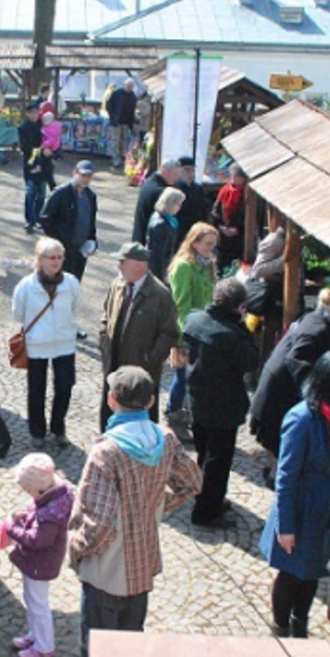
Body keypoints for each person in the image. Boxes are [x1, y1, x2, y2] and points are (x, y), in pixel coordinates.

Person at [69, 366, 202, 657]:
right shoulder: (165, 439)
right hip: (142, 568)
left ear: (111, 400)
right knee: (131, 650)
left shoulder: (106, 453)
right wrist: (156, 505)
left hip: (106, 574)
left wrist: (75, 548)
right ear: (151, 401)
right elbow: (192, 482)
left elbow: (99, 526)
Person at [259, 349, 330, 638]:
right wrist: (286, 527)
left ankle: (300, 624)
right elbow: (286, 477)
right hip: (303, 509)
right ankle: (281, 628)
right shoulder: (302, 419)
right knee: (292, 574)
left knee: (313, 572)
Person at [249, 286, 330, 486]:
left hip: (274, 383)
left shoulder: (314, 318)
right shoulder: (319, 330)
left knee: (277, 438)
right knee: (280, 439)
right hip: (278, 391)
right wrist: (314, 390)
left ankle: (274, 474)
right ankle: (277, 479)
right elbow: (295, 359)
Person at [182, 278, 260, 525]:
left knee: (204, 454)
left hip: (198, 400)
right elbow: (252, 361)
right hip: (223, 409)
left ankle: (205, 496)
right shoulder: (232, 336)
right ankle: (206, 511)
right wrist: (244, 326)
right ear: (239, 307)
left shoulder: (194, 320)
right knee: (217, 463)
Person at [97, 243, 178, 430]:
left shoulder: (160, 295)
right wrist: (104, 342)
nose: (118, 266)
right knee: (109, 414)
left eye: (122, 262)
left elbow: (169, 333)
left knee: (142, 421)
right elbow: (105, 315)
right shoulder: (117, 285)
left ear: (138, 266)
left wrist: (150, 360)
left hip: (142, 373)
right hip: (114, 365)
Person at [2, 453, 73, 657]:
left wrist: (12, 528)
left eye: (28, 491)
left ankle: (44, 646)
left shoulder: (50, 515)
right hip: (38, 562)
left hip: (40, 563)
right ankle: (35, 634)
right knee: (32, 600)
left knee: (38, 604)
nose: (28, 495)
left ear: (40, 490)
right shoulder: (56, 496)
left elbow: (36, 540)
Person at [11, 237, 82, 447]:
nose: (57, 262)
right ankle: (37, 432)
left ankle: (58, 428)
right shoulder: (26, 286)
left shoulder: (71, 283)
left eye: (60, 257)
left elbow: (76, 308)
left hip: (64, 344)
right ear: (40, 259)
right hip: (37, 345)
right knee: (36, 390)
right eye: (52, 257)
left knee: (65, 387)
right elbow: (17, 314)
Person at [165, 223, 219, 428]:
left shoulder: (207, 264)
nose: (211, 248)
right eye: (208, 243)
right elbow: (181, 305)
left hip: (205, 329)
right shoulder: (183, 267)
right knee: (182, 375)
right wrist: (183, 339)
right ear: (194, 242)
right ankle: (174, 413)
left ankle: (189, 412)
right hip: (189, 331)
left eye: (213, 244)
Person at [39, 161, 98, 280]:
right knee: (59, 282)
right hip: (62, 251)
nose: (86, 179)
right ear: (74, 173)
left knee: (75, 281)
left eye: (89, 176)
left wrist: (92, 240)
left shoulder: (91, 196)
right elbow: (45, 218)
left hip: (81, 250)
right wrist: (58, 241)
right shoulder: (61, 193)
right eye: (83, 175)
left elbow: (91, 221)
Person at [132, 157, 184, 244]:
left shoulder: (149, 182)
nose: (177, 178)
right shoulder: (160, 192)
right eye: (175, 174)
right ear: (164, 171)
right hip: (150, 241)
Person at [211, 164, 248, 271]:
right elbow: (215, 212)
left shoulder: (248, 194)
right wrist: (220, 227)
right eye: (232, 175)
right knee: (221, 266)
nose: (234, 178)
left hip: (240, 242)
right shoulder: (225, 191)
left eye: (237, 176)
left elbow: (254, 217)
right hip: (223, 240)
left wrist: (238, 230)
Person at [145, 187, 186, 281]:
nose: (180, 207)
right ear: (171, 203)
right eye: (179, 204)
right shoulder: (162, 225)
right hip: (159, 269)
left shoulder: (161, 216)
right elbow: (159, 255)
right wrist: (162, 277)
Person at [17, 103, 46, 232]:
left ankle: (37, 217)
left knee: (41, 193)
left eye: (37, 112)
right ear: (27, 114)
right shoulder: (23, 128)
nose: (35, 115)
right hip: (30, 162)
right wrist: (38, 151)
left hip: (44, 163)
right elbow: (24, 147)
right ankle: (29, 220)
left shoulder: (43, 126)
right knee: (30, 192)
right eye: (32, 113)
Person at [104, 78, 138, 169]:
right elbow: (108, 105)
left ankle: (122, 158)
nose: (129, 88)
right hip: (116, 122)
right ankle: (116, 160)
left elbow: (132, 111)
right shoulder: (117, 93)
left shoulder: (133, 96)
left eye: (131, 86)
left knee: (123, 141)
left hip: (125, 122)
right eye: (128, 86)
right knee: (115, 141)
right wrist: (113, 117)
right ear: (124, 85)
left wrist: (131, 125)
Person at [173, 157, 209, 241]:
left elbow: (202, 210)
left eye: (193, 170)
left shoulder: (198, 188)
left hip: (195, 229)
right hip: (180, 230)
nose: (191, 173)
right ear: (178, 171)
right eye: (187, 170)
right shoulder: (174, 188)